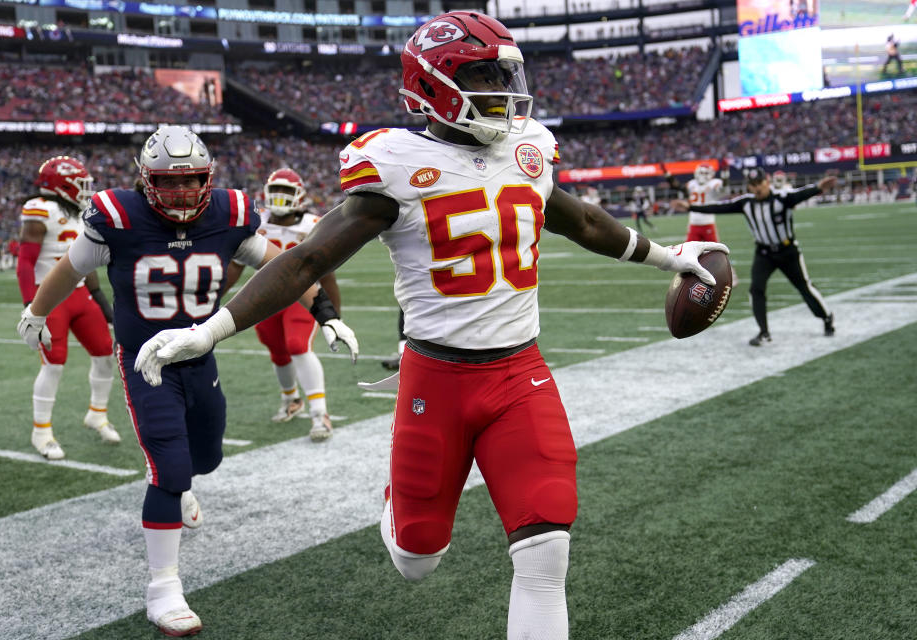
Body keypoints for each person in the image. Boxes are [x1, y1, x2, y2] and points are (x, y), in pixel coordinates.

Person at [132, 14, 726, 639]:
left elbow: (581, 221)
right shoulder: (393, 165)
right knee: (417, 558)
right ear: (434, 85)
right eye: (486, 75)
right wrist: (210, 331)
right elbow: (306, 260)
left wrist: (668, 257)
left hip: (519, 373)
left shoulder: (526, 150)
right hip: (434, 381)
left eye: (507, 74)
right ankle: (398, 509)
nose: (505, 89)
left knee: (547, 549)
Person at [16, 126, 358, 637]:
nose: (181, 193)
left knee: (206, 458)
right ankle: (164, 590)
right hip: (144, 360)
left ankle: (181, 488)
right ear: (145, 180)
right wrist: (37, 311)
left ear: (208, 178)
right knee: (169, 468)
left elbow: (284, 269)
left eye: (192, 181)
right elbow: (69, 269)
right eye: (168, 183)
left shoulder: (228, 214)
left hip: (200, 356)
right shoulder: (119, 217)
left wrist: (326, 312)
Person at [17, 156, 119, 459]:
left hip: (79, 295)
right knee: (54, 363)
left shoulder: (81, 213)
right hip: (48, 296)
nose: (86, 190)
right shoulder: (39, 208)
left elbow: (83, 261)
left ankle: (97, 414)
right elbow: (25, 261)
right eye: (79, 184)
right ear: (61, 185)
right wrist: (30, 308)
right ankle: (42, 431)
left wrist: (101, 301)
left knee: (105, 353)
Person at [673, 167, 837, 347]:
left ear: (766, 182)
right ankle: (764, 332)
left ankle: (826, 317)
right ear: (749, 187)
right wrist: (691, 207)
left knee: (804, 287)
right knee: (756, 289)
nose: (757, 188)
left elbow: (800, 194)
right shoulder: (747, 202)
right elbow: (720, 207)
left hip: (787, 251)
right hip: (764, 253)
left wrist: (819, 188)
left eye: (759, 183)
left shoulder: (782, 198)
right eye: (753, 185)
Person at [243, 167, 344, 440]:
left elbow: (328, 273)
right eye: (274, 190)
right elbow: (234, 264)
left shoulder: (313, 225)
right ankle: (291, 400)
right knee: (277, 350)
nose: (278, 197)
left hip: (303, 295)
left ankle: (319, 413)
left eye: (285, 191)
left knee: (298, 346)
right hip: (266, 296)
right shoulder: (257, 221)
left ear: (299, 195)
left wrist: (333, 314)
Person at [667, 164, 738, 286]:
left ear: (711, 174)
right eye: (702, 173)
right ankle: (686, 280)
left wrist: (726, 174)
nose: (703, 176)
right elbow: (678, 187)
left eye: (706, 173)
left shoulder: (713, 184)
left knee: (718, 253)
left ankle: (731, 274)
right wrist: (669, 177)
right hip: (694, 224)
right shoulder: (692, 184)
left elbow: (724, 187)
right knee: (685, 254)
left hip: (708, 224)